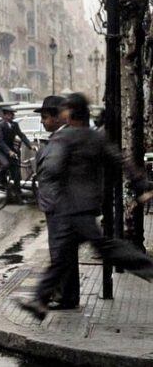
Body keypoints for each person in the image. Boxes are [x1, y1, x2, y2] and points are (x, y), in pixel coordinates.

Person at [20, 93, 153, 320]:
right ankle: (40, 301)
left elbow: (52, 169)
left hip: (70, 209)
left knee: (95, 249)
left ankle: (149, 268)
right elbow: (120, 160)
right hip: (86, 206)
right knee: (68, 255)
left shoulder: (65, 138)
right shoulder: (96, 137)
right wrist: (141, 185)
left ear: (70, 112)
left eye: (64, 110)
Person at [33, 95, 79, 310]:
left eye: (45, 117)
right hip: (58, 205)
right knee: (61, 251)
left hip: (61, 206)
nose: (42, 121)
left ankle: (66, 297)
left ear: (58, 118)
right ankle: (65, 294)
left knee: (62, 252)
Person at [0, 106, 34, 196]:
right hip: (0, 150)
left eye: (12, 114)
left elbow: (21, 135)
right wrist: (9, 151)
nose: (12, 116)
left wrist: (30, 146)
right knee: (6, 164)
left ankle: (17, 192)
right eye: (10, 114)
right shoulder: (0, 125)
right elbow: (0, 141)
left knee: (16, 169)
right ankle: (1, 179)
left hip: (11, 150)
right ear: (5, 115)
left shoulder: (15, 125)